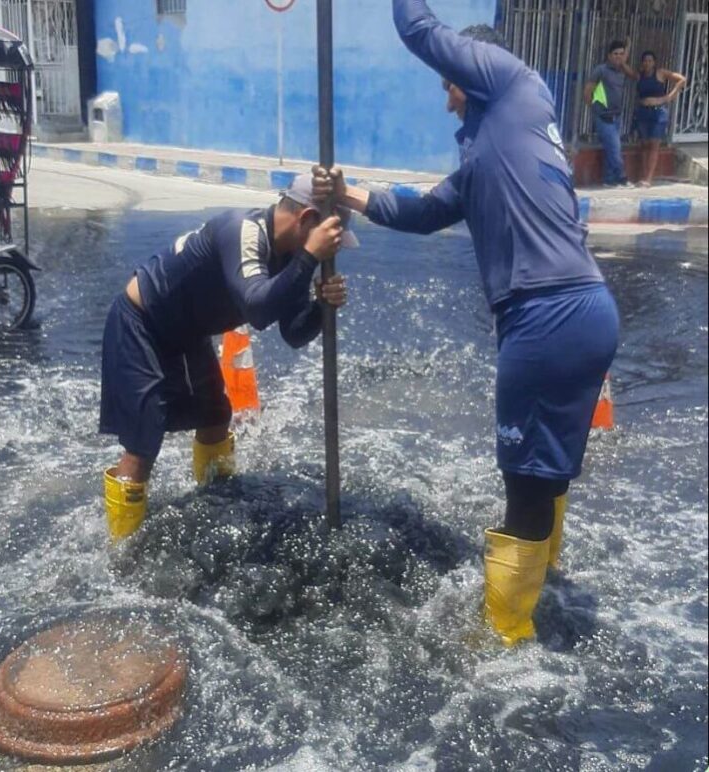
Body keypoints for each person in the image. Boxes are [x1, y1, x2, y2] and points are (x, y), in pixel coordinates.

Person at [313, 1, 619, 647]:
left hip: (548, 314)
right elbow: (422, 212)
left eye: (449, 84)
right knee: (547, 474)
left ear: (473, 71)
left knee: (526, 484)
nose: (447, 100)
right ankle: (543, 592)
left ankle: (506, 638)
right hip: (583, 308)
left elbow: (418, 28)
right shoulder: (497, 147)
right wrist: (347, 194)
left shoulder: (512, 82)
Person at [100, 175, 357, 540]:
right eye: (330, 241)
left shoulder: (293, 255)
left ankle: (215, 505)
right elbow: (258, 307)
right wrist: (309, 257)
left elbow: (293, 332)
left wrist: (320, 307)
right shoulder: (243, 231)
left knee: (216, 415)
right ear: (306, 220)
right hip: (142, 322)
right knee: (144, 442)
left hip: (187, 332)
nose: (332, 252)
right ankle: (121, 547)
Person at [584, 39, 639, 188]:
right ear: (609, 55)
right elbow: (588, 91)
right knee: (615, 149)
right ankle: (622, 178)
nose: (618, 57)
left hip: (617, 117)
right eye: (615, 54)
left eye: (621, 54)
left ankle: (609, 180)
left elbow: (635, 76)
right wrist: (596, 109)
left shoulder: (622, 71)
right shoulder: (600, 70)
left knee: (610, 148)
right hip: (604, 117)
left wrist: (624, 61)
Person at [635, 51, 686, 188]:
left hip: (658, 113)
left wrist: (668, 97)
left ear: (654, 62)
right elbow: (624, 68)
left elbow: (681, 79)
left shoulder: (660, 73)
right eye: (645, 60)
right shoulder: (639, 75)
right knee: (644, 145)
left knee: (654, 145)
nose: (647, 63)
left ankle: (649, 178)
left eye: (650, 60)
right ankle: (643, 176)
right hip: (643, 112)